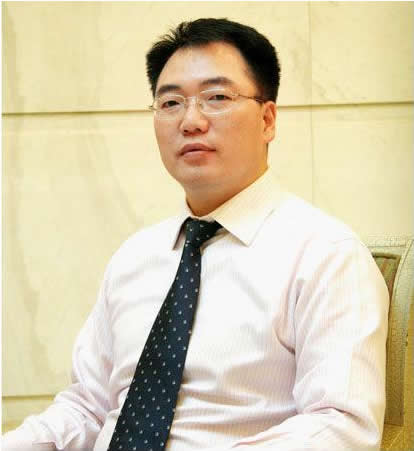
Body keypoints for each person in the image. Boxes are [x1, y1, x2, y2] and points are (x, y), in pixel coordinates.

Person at [2, 18, 389, 451]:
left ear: (267, 119)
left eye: (216, 97)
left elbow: (341, 425)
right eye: (170, 103)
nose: (190, 120)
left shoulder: (325, 255)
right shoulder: (134, 257)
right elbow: (88, 408)